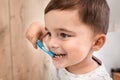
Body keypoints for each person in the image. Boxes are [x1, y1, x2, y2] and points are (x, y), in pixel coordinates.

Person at [26, 0, 112, 80]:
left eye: (64, 35)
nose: (51, 43)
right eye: (49, 33)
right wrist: (36, 25)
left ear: (97, 42)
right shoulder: (65, 57)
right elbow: (43, 28)